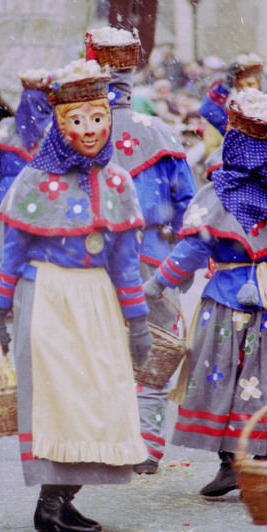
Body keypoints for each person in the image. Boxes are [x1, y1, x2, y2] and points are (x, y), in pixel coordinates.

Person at [0, 58, 151, 532]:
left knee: (101, 397)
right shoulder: (33, 180)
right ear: (60, 124)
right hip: (48, 297)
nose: (89, 130)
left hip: (96, 298)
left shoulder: (116, 180)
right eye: (77, 121)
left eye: (98, 119)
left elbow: (123, 260)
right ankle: (50, 504)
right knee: (60, 400)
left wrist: (137, 320)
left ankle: (62, 498)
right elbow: (12, 252)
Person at [144, 95, 267, 497]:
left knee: (225, 377)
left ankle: (233, 461)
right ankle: (265, 460)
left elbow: (194, 249)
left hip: (227, 306)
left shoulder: (217, 196)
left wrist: (159, 282)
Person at [87, 27, 198, 474]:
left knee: (100, 355)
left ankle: (107, 444)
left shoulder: (81, 130)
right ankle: (148, 447)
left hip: (93, 263)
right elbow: (191, 210)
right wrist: (180, 265)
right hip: (152, 261)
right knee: (154, 357)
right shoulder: (164, 134)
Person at [0, 82, 53, 290]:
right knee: (35, 245)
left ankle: (3, 291)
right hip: (42, 195)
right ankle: (32, 290)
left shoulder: (4, 128)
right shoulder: (53, 128)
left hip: (5, 196)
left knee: (4, 246)